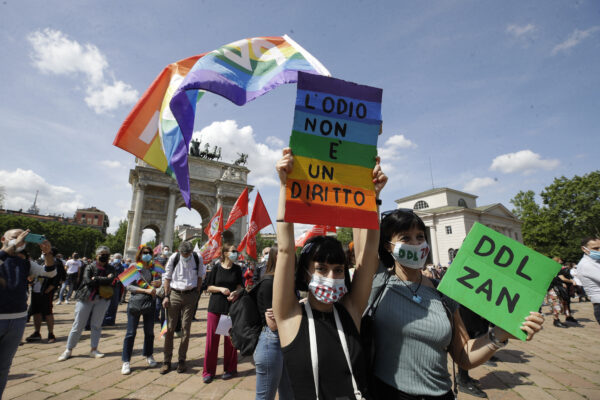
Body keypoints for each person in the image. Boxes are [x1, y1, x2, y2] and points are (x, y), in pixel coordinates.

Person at [368, 209, 545, 399]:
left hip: (441, 394)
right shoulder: (377, 284)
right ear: (388, 245)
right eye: (405, 238)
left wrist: (499, 335)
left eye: (420, 237)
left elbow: (464, 356)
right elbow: (366, 242)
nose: (416, 244)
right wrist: (373, 196)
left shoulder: (443, 293)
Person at [273, 148, 387, 399]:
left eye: (338, 270)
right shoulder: (289, 316)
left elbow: (368, 255)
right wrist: (285, 186)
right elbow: (284, 249)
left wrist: (373, 198)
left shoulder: (351, 310)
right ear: (305, 274)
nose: (331, 276)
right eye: (321, 269)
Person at [0, 229, 57, 397]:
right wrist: (10, 248)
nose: (20, 240)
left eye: (23, 238)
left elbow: (49, 272)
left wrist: (47, 253)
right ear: (3, 239)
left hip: (17, 319)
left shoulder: (25, 262)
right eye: (15, 237)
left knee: (4, 368)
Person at [58, 246, 116, 361]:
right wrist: (104, 279)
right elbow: (88, 281)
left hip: (103, 299)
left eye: (106, 254)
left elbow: (111, 280)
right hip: (86, 297)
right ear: (96, 255)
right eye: (102, 254)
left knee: (96, 325)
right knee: (78, 324)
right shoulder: (89, 266)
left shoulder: (111, 268)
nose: (104, 256)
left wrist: (96, 278)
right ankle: (68, 349)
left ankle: (94, 349)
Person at [253, 245, 293, 400]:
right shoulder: (270, 282)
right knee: (265, 397)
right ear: (277, 258)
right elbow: (273, 324)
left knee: (289, 394)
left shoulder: (286, 280)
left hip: (285, 341)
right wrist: (297, 308)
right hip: (272, 342)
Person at [161, 241, 205, 374]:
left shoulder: (198, 258)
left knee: (186, 328)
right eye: (183, 253)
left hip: (190, 295)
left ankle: (181, 360)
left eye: (187, 253)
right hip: (174, 294)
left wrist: (197, 292)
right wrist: (166, 296)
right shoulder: (174, 258)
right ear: (179, 251)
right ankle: (166, 360)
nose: (185, 255)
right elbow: (167, 277)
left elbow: (200, 276)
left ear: (191, 252)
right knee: (169, 328)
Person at [202, 244, 243, 383]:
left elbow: (240, 286)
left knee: (229, 340)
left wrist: (235, 292)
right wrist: (220, 289)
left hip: (230, 308)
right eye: (233, 251)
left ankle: (230, 368)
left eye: (236, 251)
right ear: (225, 253)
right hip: (215, 307)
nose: (235, 253)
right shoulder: (216, 267)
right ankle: (208, 372)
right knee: (212, 341)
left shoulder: (237, 269)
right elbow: (208, 287)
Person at [121, 246, 161, 374]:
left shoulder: (153, 267)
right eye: (145, 253)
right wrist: (145, 290)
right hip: (136, 302)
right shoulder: (134, 266)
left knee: (149, 332)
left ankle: (149, 355)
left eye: (149, 253)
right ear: (140, 254)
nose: (147, 254)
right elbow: (128, 286)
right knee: (131, 333)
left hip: (149, 302)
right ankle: (126, 361)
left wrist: (158, 284)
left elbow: (158, 283)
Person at [26, 247, 63, 343]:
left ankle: (51, 333)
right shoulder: (40, 262)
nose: (43, 253)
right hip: (36, 290)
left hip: (46, 291)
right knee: (36, 312)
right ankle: (37, 332)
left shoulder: (57, 263)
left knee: (47, 312)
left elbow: (57, 277)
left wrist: (50, 288)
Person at [577, 236, 600, 325]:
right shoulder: (586, 264)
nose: (599, 250)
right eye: (595, 248)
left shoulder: (596, 261)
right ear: (584, 249)